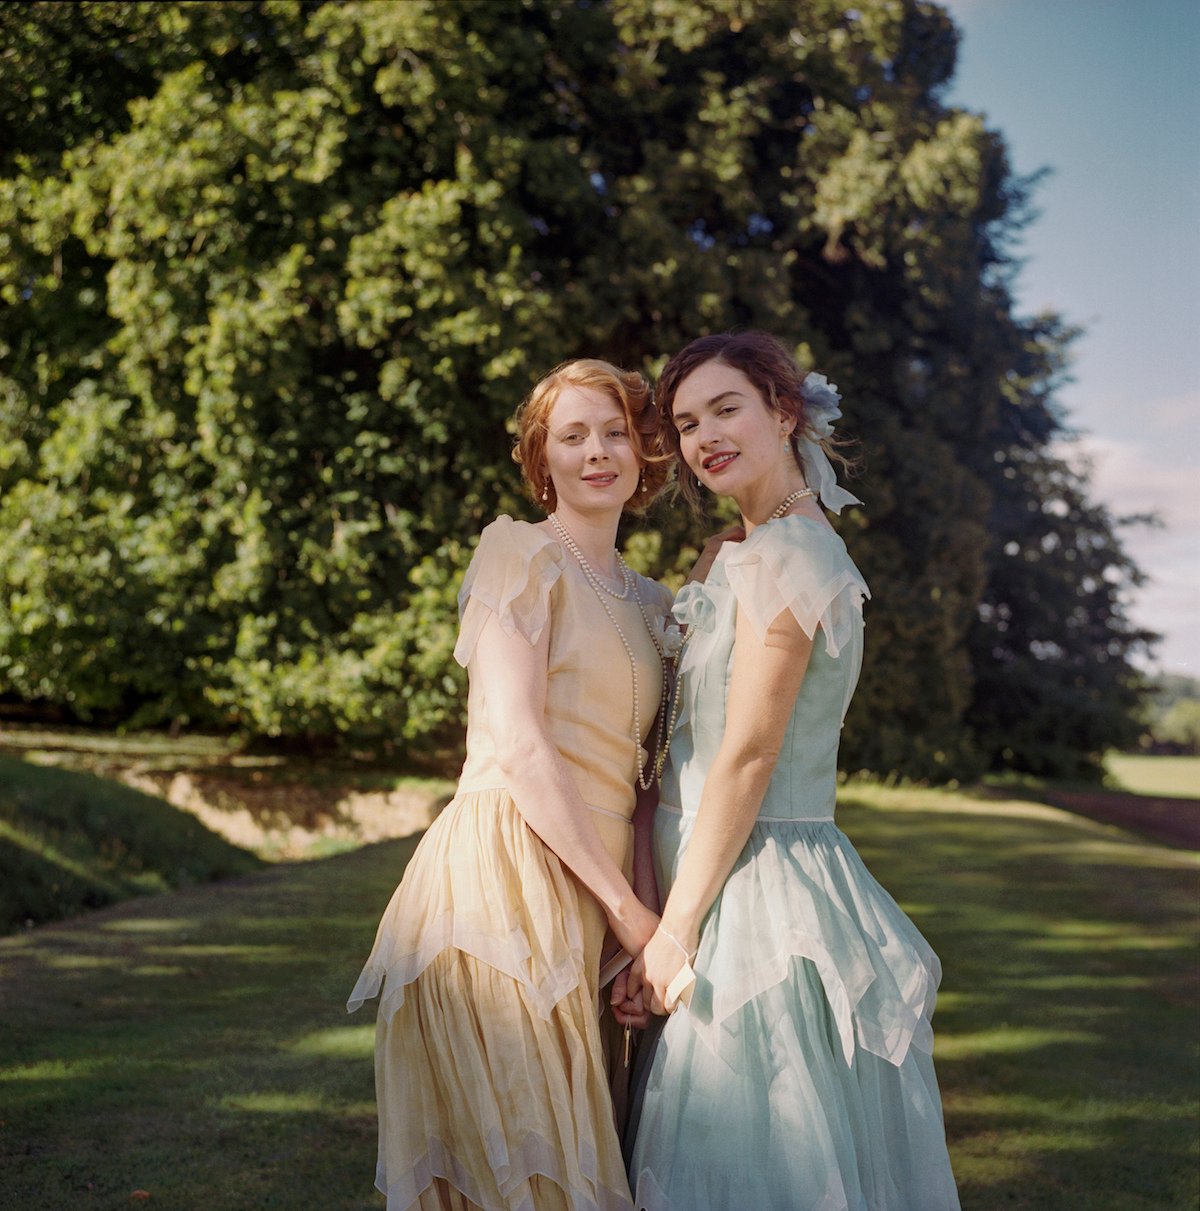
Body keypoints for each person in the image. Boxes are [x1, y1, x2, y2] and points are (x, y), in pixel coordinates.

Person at [622, 332, 960, 1211]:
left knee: (759, 1154)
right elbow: (676, 746)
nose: (704, 437)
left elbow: (747, 754)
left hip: (757, 885)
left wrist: (675, 931)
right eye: (687, 422)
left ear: (783, 412)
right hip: (687, 867)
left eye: (725, 409)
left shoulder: (796, 555)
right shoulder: (727, 555)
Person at [348, 358, 673, 1211]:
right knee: (528, 1174)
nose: (597, 451)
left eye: (614, 432)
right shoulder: (516, 552)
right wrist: (633, 915)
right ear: (543, 459)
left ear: (643, 450)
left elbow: (646, 784)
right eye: (572, 435)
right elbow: (524, 745)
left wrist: (639, 933)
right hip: (502, 881)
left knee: (585, 1159)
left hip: (593, 904)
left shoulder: (655, 604)